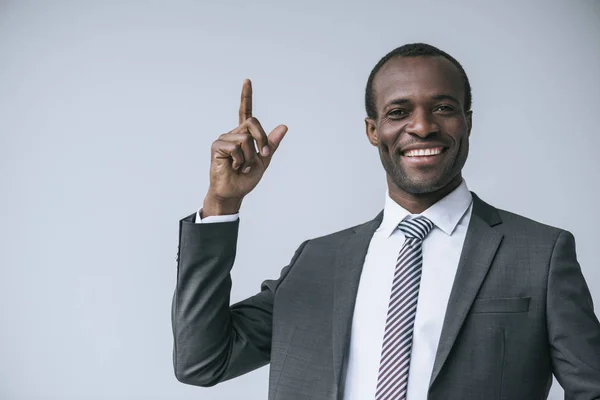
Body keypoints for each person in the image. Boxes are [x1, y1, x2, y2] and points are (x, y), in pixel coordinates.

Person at [171, 43, 600, 400]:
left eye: (443, 107)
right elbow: (203, 361)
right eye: (399, 112)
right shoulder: (317, 261)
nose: (422, 126)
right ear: (373, 130)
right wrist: (221, 204)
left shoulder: (541, 254)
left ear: (467, 122)